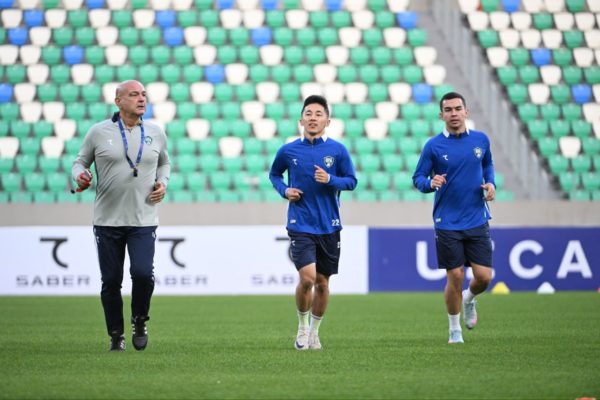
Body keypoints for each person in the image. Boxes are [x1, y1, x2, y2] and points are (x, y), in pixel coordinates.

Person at [72, 80, 170, 352]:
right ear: (118, 101)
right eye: (134, 94)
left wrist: (163, 183)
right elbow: (80, 162)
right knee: (111, 281)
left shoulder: (156, 132)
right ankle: (116, 334)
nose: (142, 99)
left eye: (144, 95)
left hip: (143, 219)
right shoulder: (98, 132)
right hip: (107, 221)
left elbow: (164, 163)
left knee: (142, 274)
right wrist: (80, 176)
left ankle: (140, 319)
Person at [269, 95, 357, 350]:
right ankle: (302, 327)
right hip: (300, 223)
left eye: (319, 114)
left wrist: (330, 179)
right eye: (308, 113)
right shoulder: (288, 150)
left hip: (329, 224)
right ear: (301, 120)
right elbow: (274, 174)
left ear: (327, 121)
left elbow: (351, 181)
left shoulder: (338, 150)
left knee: (323, 283)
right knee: (307, 279)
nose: (313, 118)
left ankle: (315, 332)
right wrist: (285, 191)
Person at [412, 92, 495, 344]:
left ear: (466, 111)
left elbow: (487, 164)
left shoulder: (481, 140)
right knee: (455, 275)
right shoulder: (433, 146)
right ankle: (454, 329)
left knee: (484, 277)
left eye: (458, 108)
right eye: (448, 110)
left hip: (477, 218)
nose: (454, 113)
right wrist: (430, 183)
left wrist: (491, 183)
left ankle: (469, 299)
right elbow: (418, 178)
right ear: (441, 115)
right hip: (446, 221)